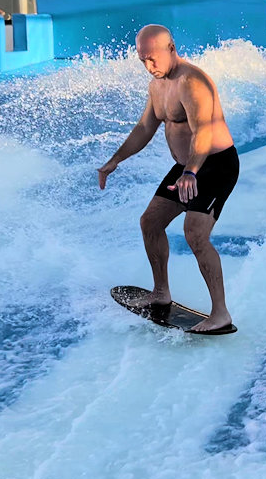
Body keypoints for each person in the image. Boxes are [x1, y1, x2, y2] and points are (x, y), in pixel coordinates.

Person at [97, 25, 239, 334]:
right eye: (143, 60)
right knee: (150, 222)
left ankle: (220, 313)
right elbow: (145, 128)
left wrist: (191, 172)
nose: (149, 67)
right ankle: (161, 291)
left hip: (214, 164)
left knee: (195, 234)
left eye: (153, 59)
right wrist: (115, 160)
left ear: (171, 48)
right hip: (187, 166)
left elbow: (203, 131)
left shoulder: (193, 83)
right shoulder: (157, 86)